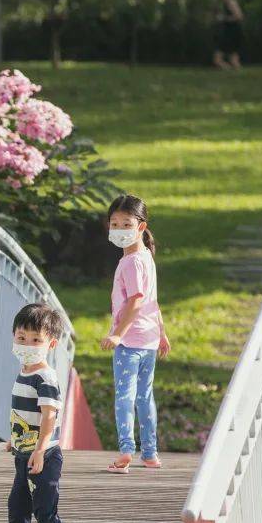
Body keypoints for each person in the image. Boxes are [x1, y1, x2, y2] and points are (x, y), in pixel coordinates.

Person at [0, 303, 81, 523]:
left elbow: (49, 417)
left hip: (43, 457)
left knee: (44, 511)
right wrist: (14, 443)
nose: (27, 345)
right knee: (17, 506)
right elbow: (27, 417)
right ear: (13, 336)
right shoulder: (25, 373)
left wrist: (39, 450)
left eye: (36, 340)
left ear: (50, 344)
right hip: (26, 455)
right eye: (21, 338)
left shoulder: (45, 378)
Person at [100, 195, 171, 474]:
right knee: (144, 397)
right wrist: (162, 333)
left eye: (125, 224)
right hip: (149, 340)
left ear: (141, 227)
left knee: (124, 398)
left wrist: (117, 334)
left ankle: (126, 451)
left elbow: (137, 300)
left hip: (130, 343)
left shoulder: (131, 262)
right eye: (114, 224)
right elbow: (154, 300)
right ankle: (150, 454)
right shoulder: (145, 257)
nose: (119, 230)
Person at [212, 0, 244, 70]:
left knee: (223, 59)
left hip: (233, 32)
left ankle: (233, 73)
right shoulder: (224, 3)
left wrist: (223, 18)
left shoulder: (231, 2)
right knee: (232, 59)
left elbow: (239, 16)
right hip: (228, 31)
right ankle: (235, 74)